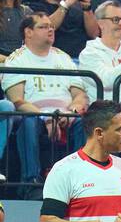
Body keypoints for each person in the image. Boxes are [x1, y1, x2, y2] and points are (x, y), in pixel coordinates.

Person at [5, 13, 87, 182]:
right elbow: (17, 101)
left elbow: (79, 95)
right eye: (43, 27)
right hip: (33, 115)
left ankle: (80, 179)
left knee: (85, 122)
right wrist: (47, 118)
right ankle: (31, 181)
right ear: (28, 32)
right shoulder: (16, 60)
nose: (50, 30)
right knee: (29, 122)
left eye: (51, 26)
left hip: (65, 115)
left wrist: (70, 112)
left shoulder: (63, 58)